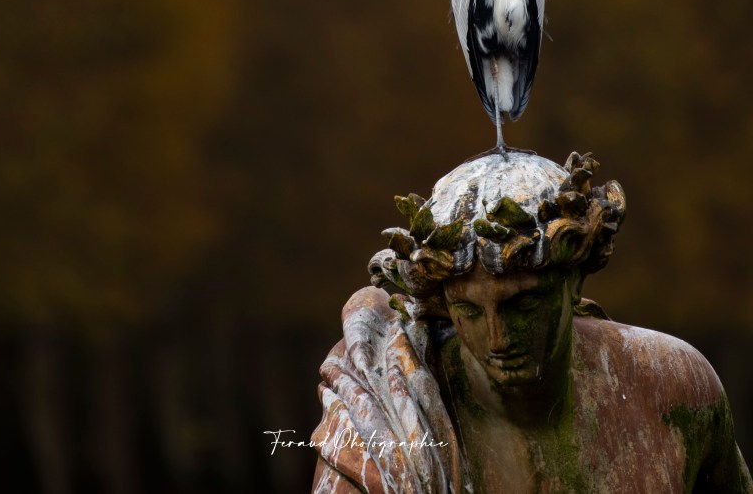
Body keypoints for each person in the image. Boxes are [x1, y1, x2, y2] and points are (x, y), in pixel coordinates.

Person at [311, 152, 752, 493]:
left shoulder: (675, 388)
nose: (497, 339)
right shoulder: (383, 426)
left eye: (522, 306)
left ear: (574, 281)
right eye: (468, 310)